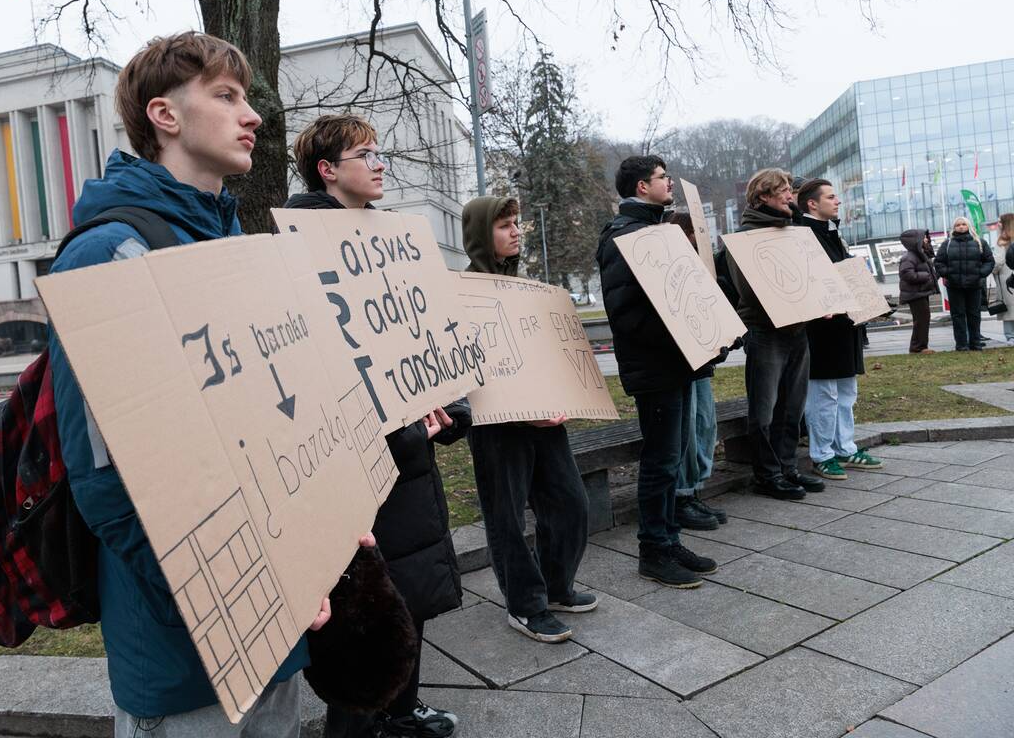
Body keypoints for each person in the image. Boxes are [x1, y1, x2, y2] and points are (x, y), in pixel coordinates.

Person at [48, 33, 369, 738]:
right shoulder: (108, 255)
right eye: (226, 97)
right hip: (185, 659)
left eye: (246, 98)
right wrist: (244, 593)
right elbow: (104, 480)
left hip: (279, 633)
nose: (251, 115)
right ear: (164, 115)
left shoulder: (231, 248)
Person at [286, 113, 468, 738]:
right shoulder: (298, 247)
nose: (380, 162)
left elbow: (420, 339)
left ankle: (399, 710)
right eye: (365, 153)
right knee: (365, 604)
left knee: (409, 590)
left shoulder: (388, 240)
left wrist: (446, 411)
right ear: (328, 169)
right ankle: (360, 722)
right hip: (359, 464)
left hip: (409, 455)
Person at [462, 195, 596, 643]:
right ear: (482, 234)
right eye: (504, 225)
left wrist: (562, 397)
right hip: (497, 426)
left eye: (517, 223)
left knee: (571, 503)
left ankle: (556, 587)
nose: (516, 231)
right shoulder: (462, 292)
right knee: (507, 519)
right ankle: (525, 605)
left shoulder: (526, 288)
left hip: (547, 422)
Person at [596, 155, 718, 589]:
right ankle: (653, 550)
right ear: (642, 187)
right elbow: (627, 313)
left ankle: (669, 539)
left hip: (677, 362)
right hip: (656, 366)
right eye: (663, 178)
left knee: (671, 457)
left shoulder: (656, 231)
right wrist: (684, 336)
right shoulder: (624, 237)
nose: (670, 184)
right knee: (661, 461)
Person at [724, 169, 823, 500]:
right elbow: (749, 292)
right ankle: (766, 475)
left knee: (793, 406)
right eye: (782, 191)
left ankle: (787, 467)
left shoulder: (794, 230)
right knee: (764, 409)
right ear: (763, 197)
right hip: (766, 331)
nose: (789, 196)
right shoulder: (746, 237)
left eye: (789, 191)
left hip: (798, 329)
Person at [795, 179, 883, 480]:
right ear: (811, 204)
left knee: (847, 392)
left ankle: (845, 447)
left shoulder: (831, 231)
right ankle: (822, 454)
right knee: (823, 395)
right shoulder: (802, 235)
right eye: (831, 197)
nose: (838, 201)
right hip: (822, 328)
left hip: (845, 325)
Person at [669, 213, 725, 530]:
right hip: (683, 358)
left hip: (701, 357)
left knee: (704, 423)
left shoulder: (699, 264)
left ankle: (694, 489)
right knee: (688, 427)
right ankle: (682, 494)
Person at [934, 216, 995, 351]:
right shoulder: (947, 244)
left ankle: (975, 343)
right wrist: (948, 273)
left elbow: (989, 261)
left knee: (974, 314)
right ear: (954, 228)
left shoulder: (980, 242)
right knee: (958, 315)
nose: (961, 227)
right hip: (954, 285)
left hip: (974, 285)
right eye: (958, 225)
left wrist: (981, 273)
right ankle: (961, 344)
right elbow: (938, 262)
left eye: (963, 224)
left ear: (968, 226)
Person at [898, 228, 939, 354]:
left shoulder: (920, 255)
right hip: (915, 294)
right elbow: (906, 274)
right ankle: (918, 347)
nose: (927, 239)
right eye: (924, 237)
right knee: (921, 319)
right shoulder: (909, 257)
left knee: (923, 319)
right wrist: (926, 276)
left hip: (920, 292)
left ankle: (920, 346)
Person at [993, 213, 1014, 345]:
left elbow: (998, 262)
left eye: (1000, 222)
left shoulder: (1002, 242)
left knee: (1008, 309)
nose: (997, 224)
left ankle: (1010, 336)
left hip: (1006, 279)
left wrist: (992, 269)